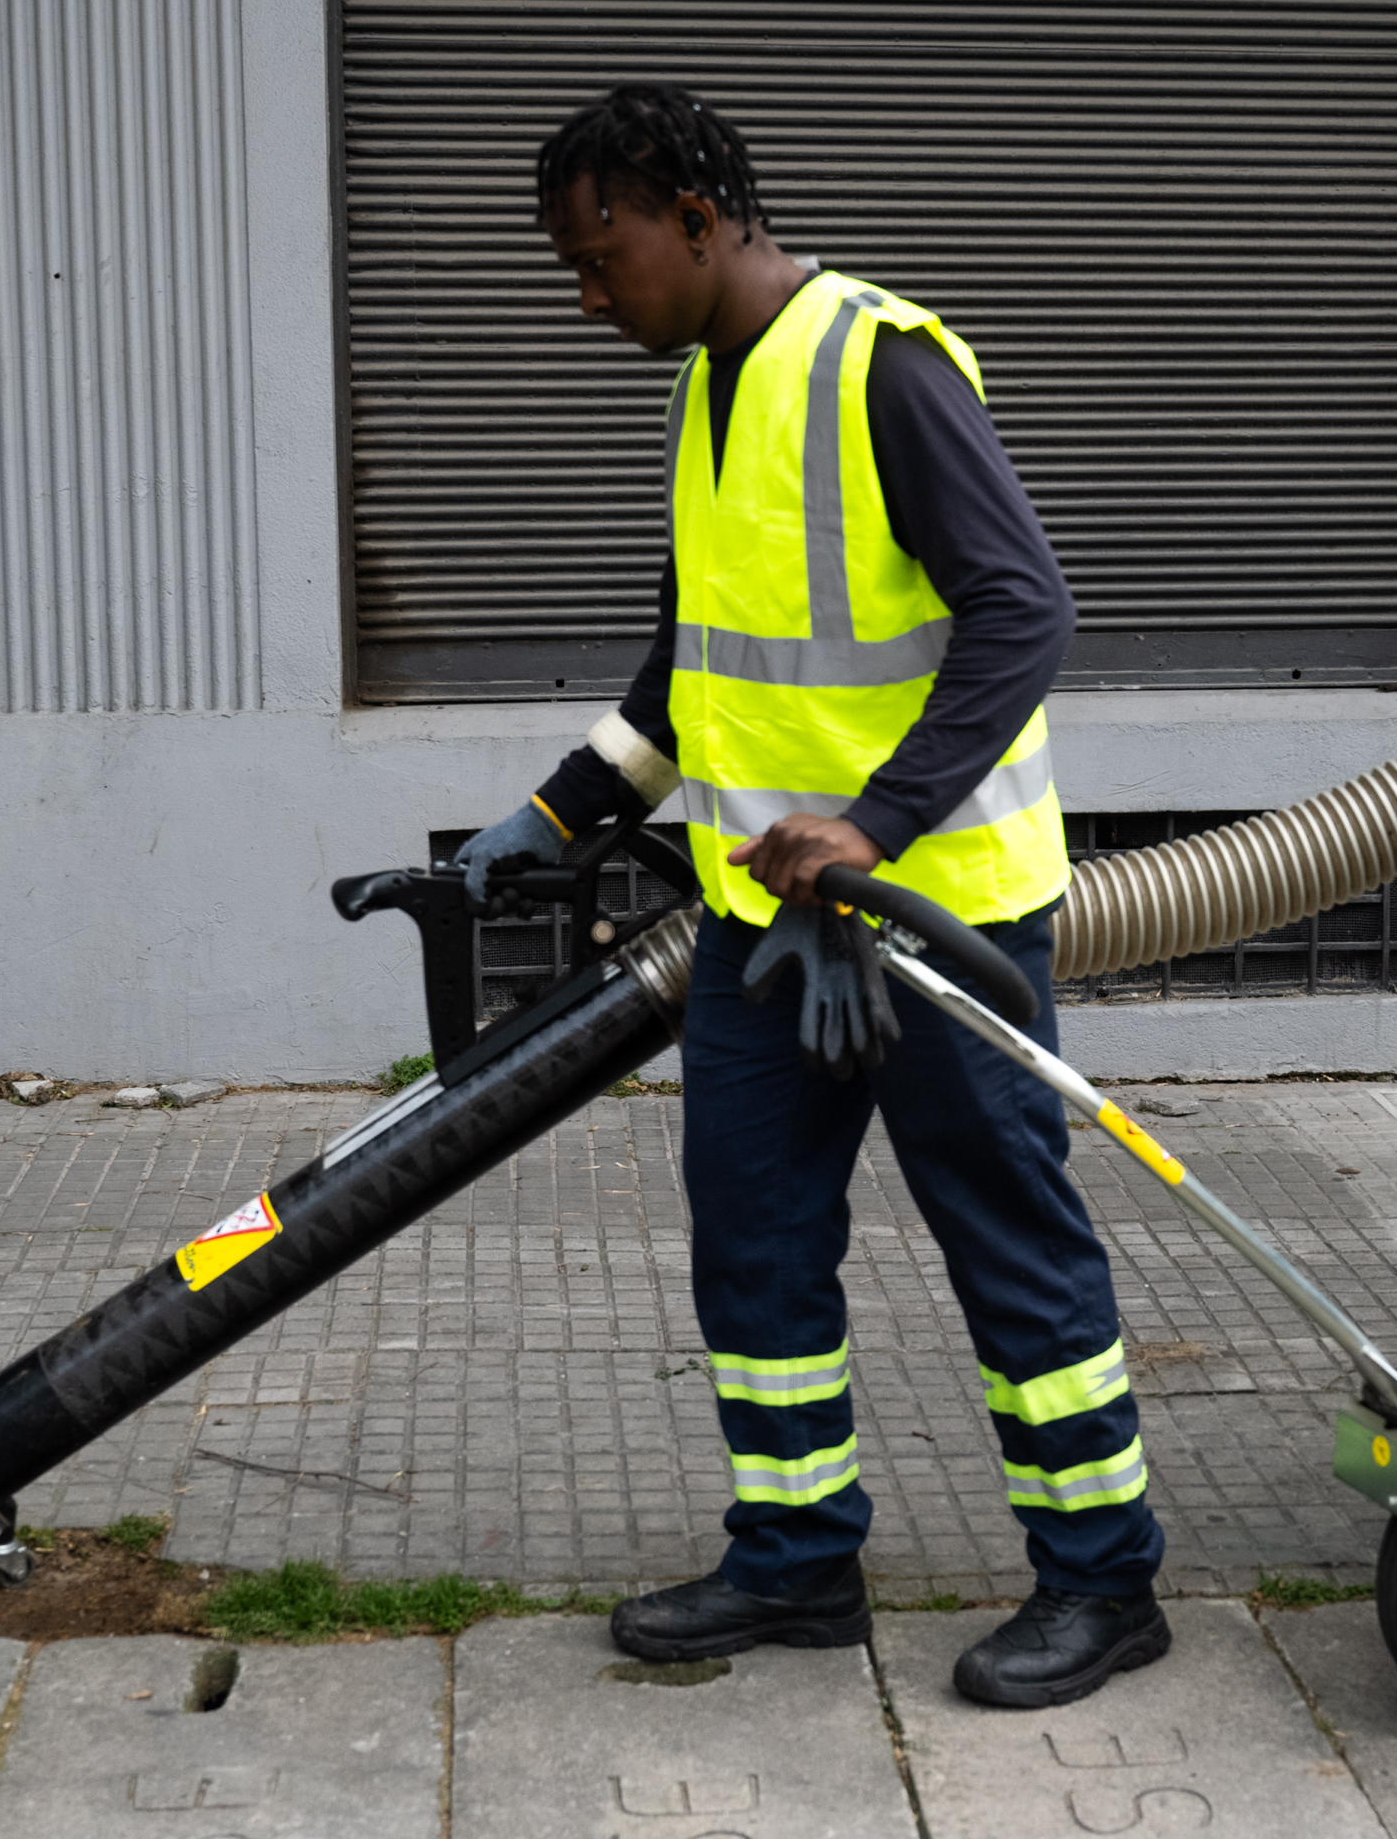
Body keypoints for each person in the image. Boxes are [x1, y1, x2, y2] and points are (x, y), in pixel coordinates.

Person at [452, 85, 1168, 1708]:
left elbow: (1024, 609)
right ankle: (795, 1566)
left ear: (698, 221)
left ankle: (1106, 1585)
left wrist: (878, 823)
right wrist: (554, 814)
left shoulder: (882, 365)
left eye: (599, 257)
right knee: (756, 1245)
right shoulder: (707, 385)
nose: (586, 295)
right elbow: (693, 664)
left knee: (1010, 1249)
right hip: (768, 934)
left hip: (937, 926)